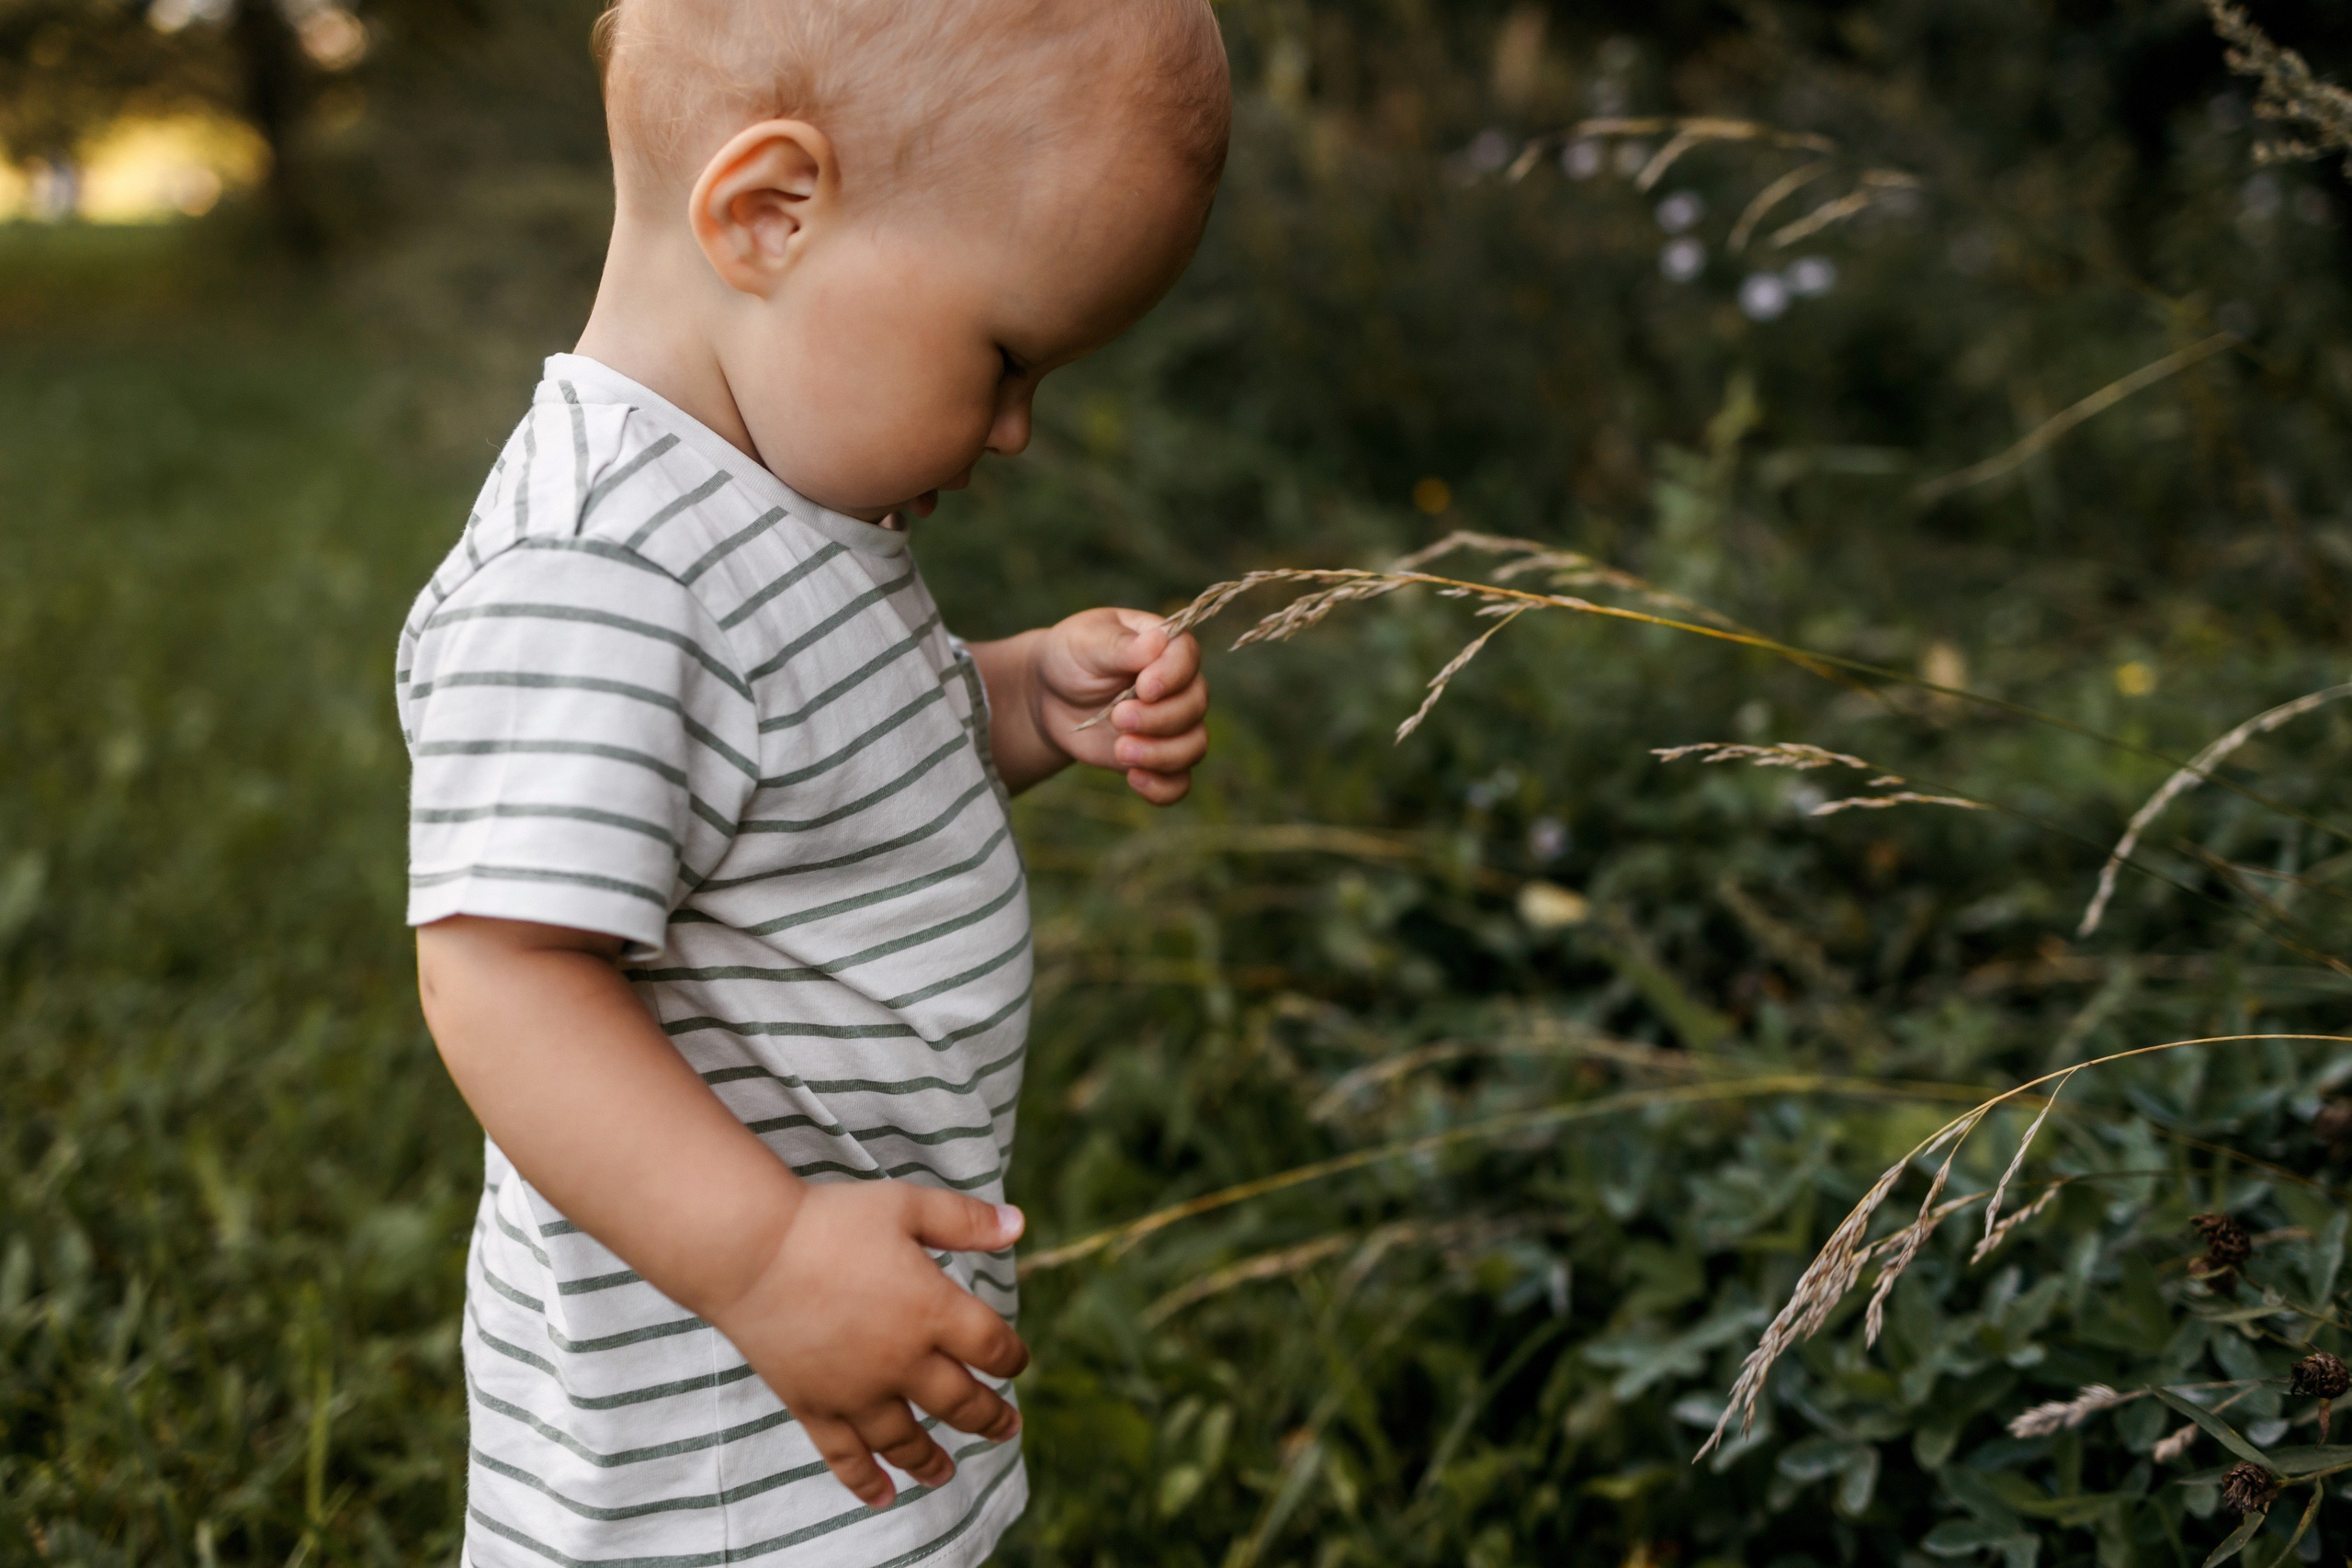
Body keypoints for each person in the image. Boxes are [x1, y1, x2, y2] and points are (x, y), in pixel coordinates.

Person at [396, 1, 1229, 1561]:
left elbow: (823, 766)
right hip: (709, 1406)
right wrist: (769, 1259)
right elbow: (501, 973)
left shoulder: (775, 500)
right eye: (1004, 356)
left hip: (830, 1328)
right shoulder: (597, 569)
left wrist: (1023, 702)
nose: (1015, 429)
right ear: (768, 214)